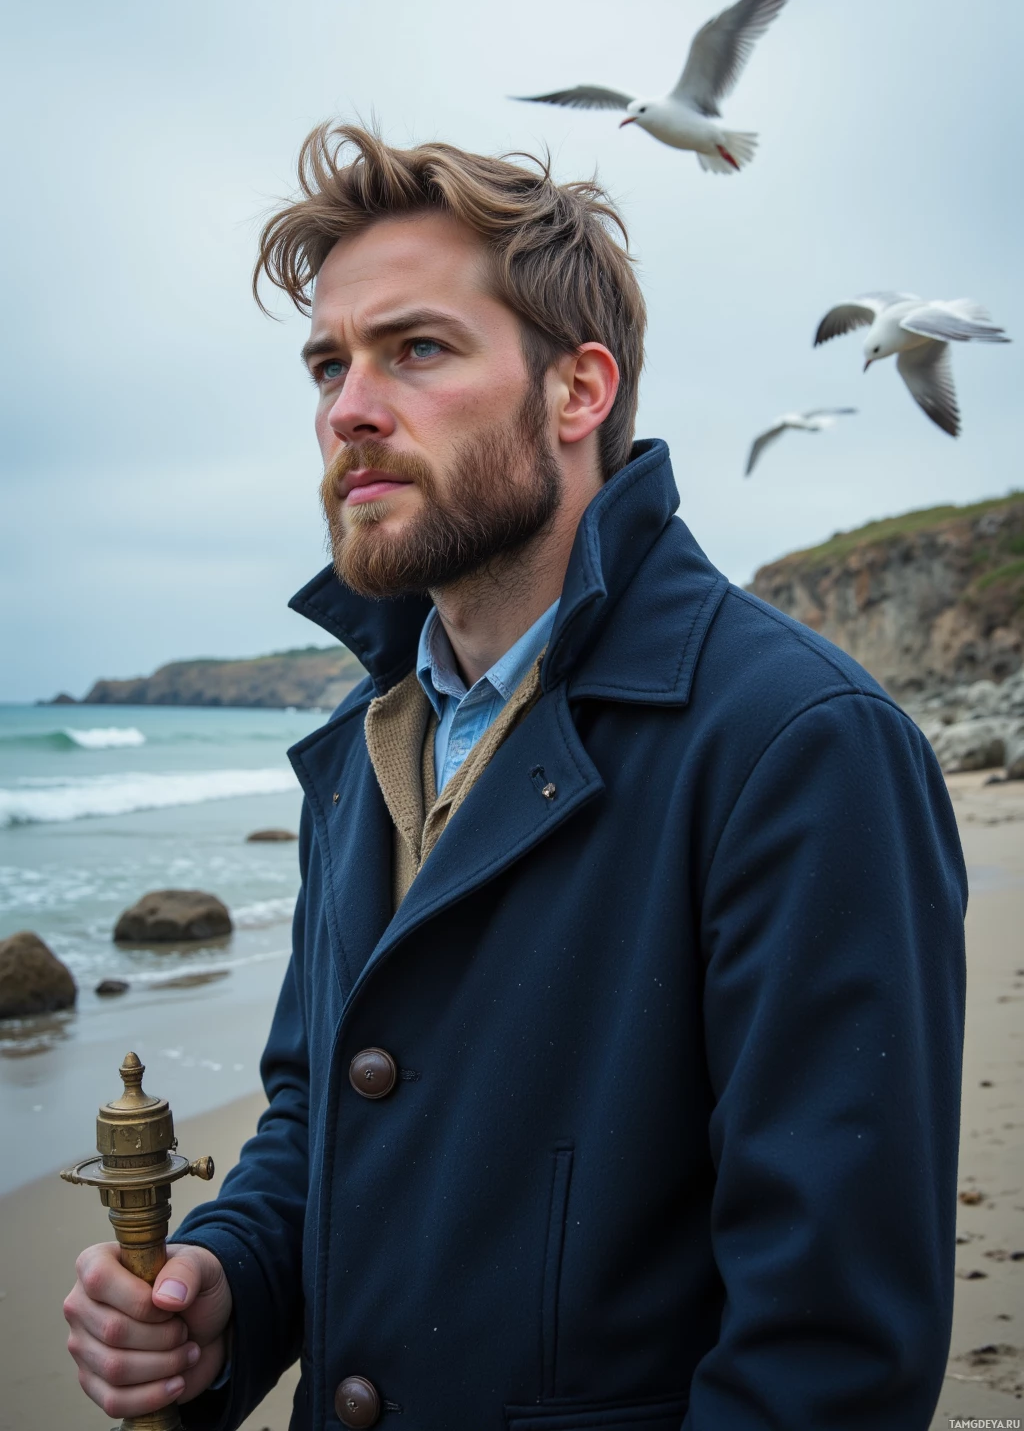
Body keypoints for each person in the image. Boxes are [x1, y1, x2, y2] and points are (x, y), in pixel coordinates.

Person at [63, 125, 967, 1431]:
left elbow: (827, 1358)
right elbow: (322, 1115)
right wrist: (228, 1287)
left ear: (577, 391)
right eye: (329, 363)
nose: (348, 408)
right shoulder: (364, 747)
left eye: (417, 349)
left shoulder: (798, 744)